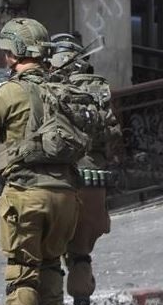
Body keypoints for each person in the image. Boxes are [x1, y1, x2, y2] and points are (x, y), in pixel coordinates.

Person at [0, 18, 80, 305]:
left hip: (26, 194)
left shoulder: (11, 91)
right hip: (65, 196)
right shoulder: (61, 87)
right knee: (51, 269)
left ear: (13, 53)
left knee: (23, 276)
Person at [48, 34, 121, 305]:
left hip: (54, 181)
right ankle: (81, 298)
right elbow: (114, 135)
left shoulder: (43, 87)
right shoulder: (98, 89)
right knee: (80, 253)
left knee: (49, 252)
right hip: (91, 182)